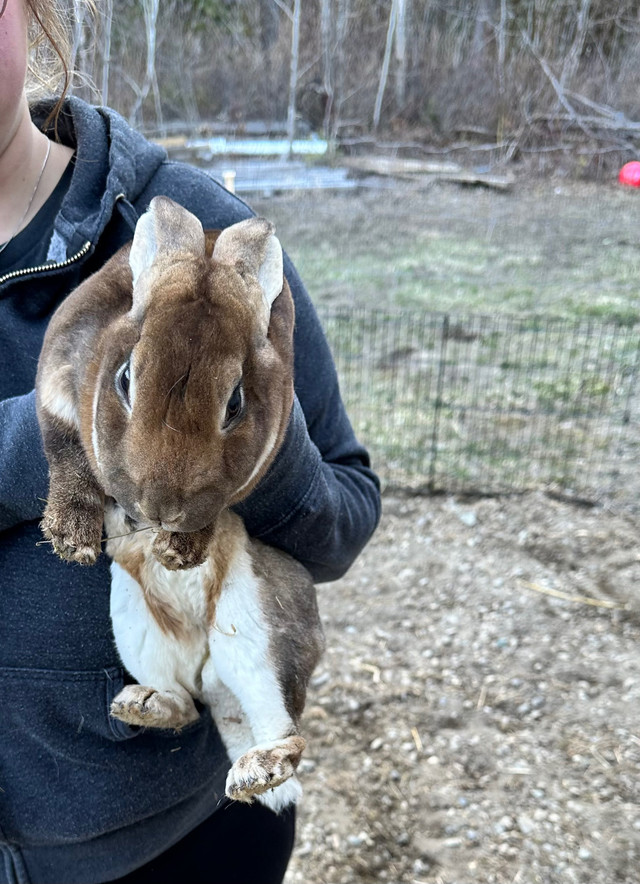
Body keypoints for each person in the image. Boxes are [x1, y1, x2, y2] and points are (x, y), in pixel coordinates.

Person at [0, 2, 381, 882]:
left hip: (172, 843)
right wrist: (66, 437)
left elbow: (344, 519)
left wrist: (253, 438)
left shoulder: (200, 234)